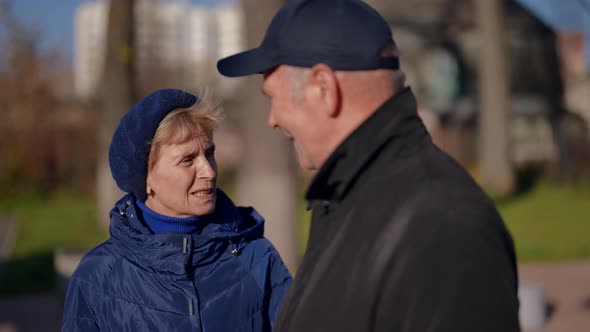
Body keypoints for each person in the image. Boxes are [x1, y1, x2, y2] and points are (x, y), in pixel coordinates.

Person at [216, 0, 520, 331]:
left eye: (273, 98)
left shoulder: (443, 227)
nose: (272, 120)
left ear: (323, 88)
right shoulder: (346, 196)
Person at [62, 89, 292, 331]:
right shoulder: (97, 277)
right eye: (187, 160)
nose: (209, 171)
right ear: (146, 178)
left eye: (209, 153)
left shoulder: (256, 258)